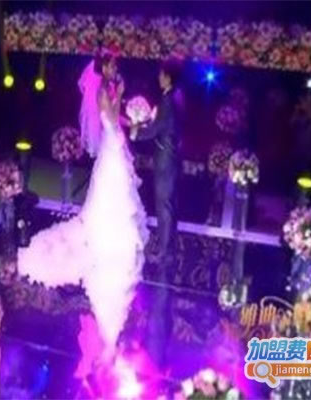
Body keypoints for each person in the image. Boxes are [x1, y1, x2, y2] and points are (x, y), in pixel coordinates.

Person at [17, 54, 148, 363]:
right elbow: (109, 118)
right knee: (112, 187)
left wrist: (133, 120)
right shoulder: (103, 90)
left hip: (116, 142)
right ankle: (107, 231)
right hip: (111, 144)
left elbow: (117, 119)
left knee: (119, 189)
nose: (115, 68)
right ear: (103, 68)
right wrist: (121, 100)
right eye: (112, 65)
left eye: (116, 65)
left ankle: (114, 230)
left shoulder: (110, 87)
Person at [130, 59, 184, 370]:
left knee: (164, 206)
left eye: (161, 74)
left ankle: (165, 250)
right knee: (168, 207)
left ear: (167, 77)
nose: (158, 77)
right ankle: (168, 246)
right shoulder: (175, 97)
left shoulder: (168, 99)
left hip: (166, 158)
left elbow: (158, 129)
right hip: (170, 156)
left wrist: (137, 131)